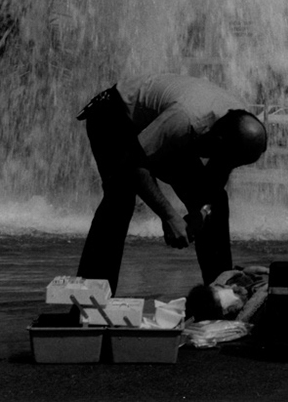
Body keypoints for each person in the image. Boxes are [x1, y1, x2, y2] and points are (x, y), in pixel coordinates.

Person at [76, 73, 267, 295]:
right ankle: (90, 299)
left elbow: (214, 184)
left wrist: (201, 213)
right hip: (115, 116)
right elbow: (135, 165)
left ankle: (220, 292)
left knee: (215, 202)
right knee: (120, 198)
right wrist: (170, 216)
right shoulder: (186, 119)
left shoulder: (238, 128)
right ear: (220, 141)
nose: (230, 166)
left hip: (160, 125)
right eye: (230, 160)